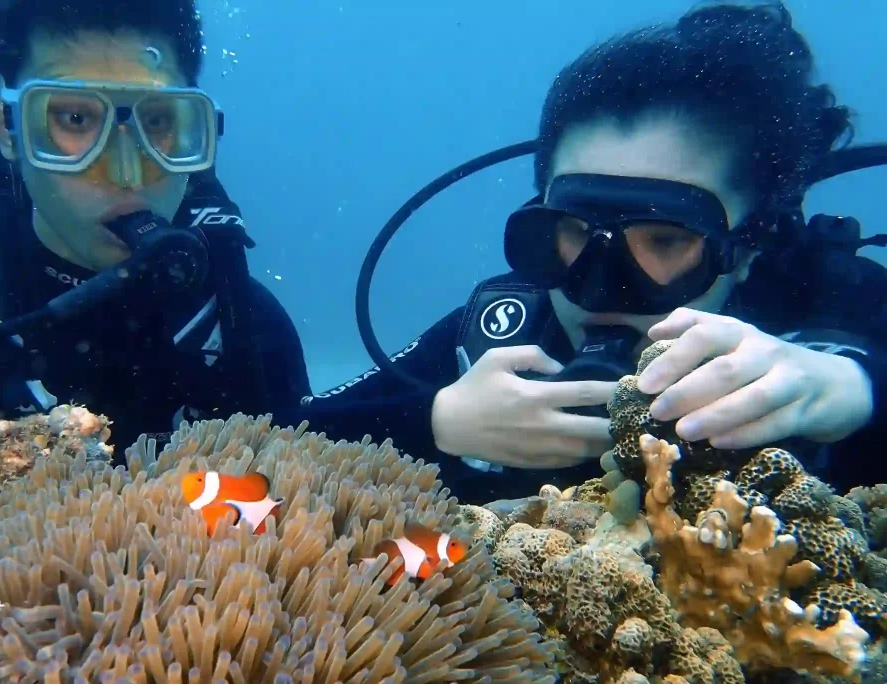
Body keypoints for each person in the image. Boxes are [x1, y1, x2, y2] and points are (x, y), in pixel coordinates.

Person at [288, 1, 887, 504]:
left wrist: (857, 392)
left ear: (750, 244)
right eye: (575, 229)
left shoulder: (833, 306)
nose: (598, 289)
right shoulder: (507, 332)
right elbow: (287, 437)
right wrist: (435, 421)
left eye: (666, 238)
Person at [0, 0, 311, 501]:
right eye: (75, 118)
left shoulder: (239, 322)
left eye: (159, 120)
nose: (126, 171)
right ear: (4, 127)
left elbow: (304, 474)